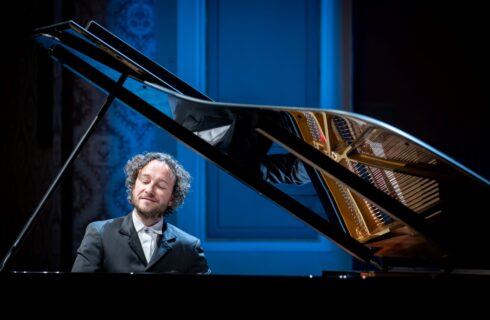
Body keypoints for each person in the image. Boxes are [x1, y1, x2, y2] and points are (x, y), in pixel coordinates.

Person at [72, 152, 210, 274]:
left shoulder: (189, 247)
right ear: (133, 186)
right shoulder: (99, 233)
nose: (149, 189)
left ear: (171, 199)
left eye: (161, 186)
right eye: (145, 181)